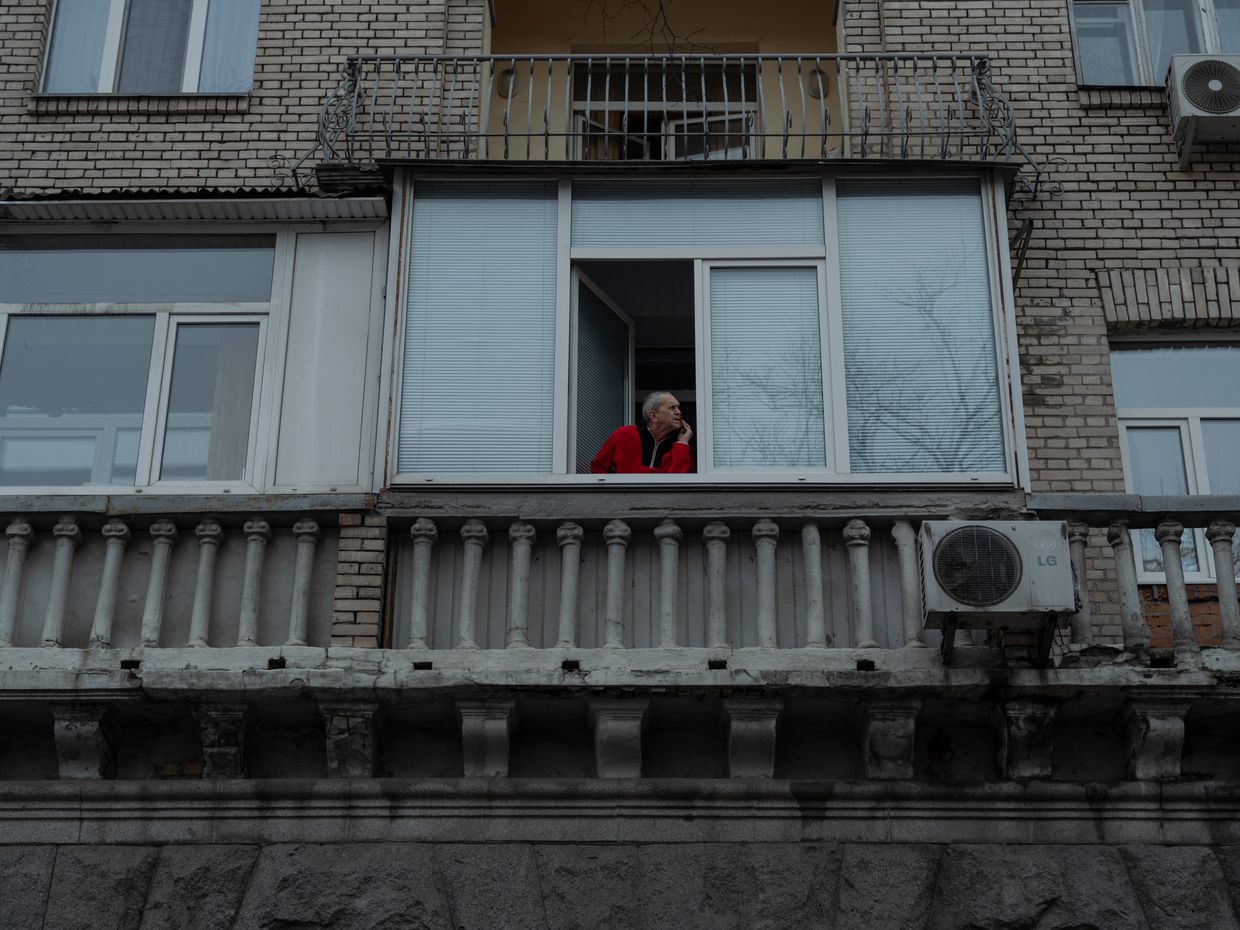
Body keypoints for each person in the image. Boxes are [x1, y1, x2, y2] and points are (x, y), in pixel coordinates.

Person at [590, 390, 694, 474]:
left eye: (678, 407)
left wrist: (682, 443)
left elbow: (678, 483)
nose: (679, 412)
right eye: (672, 408)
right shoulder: (624, 434)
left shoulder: (679, 447)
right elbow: (598, 468)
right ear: (653, 415)